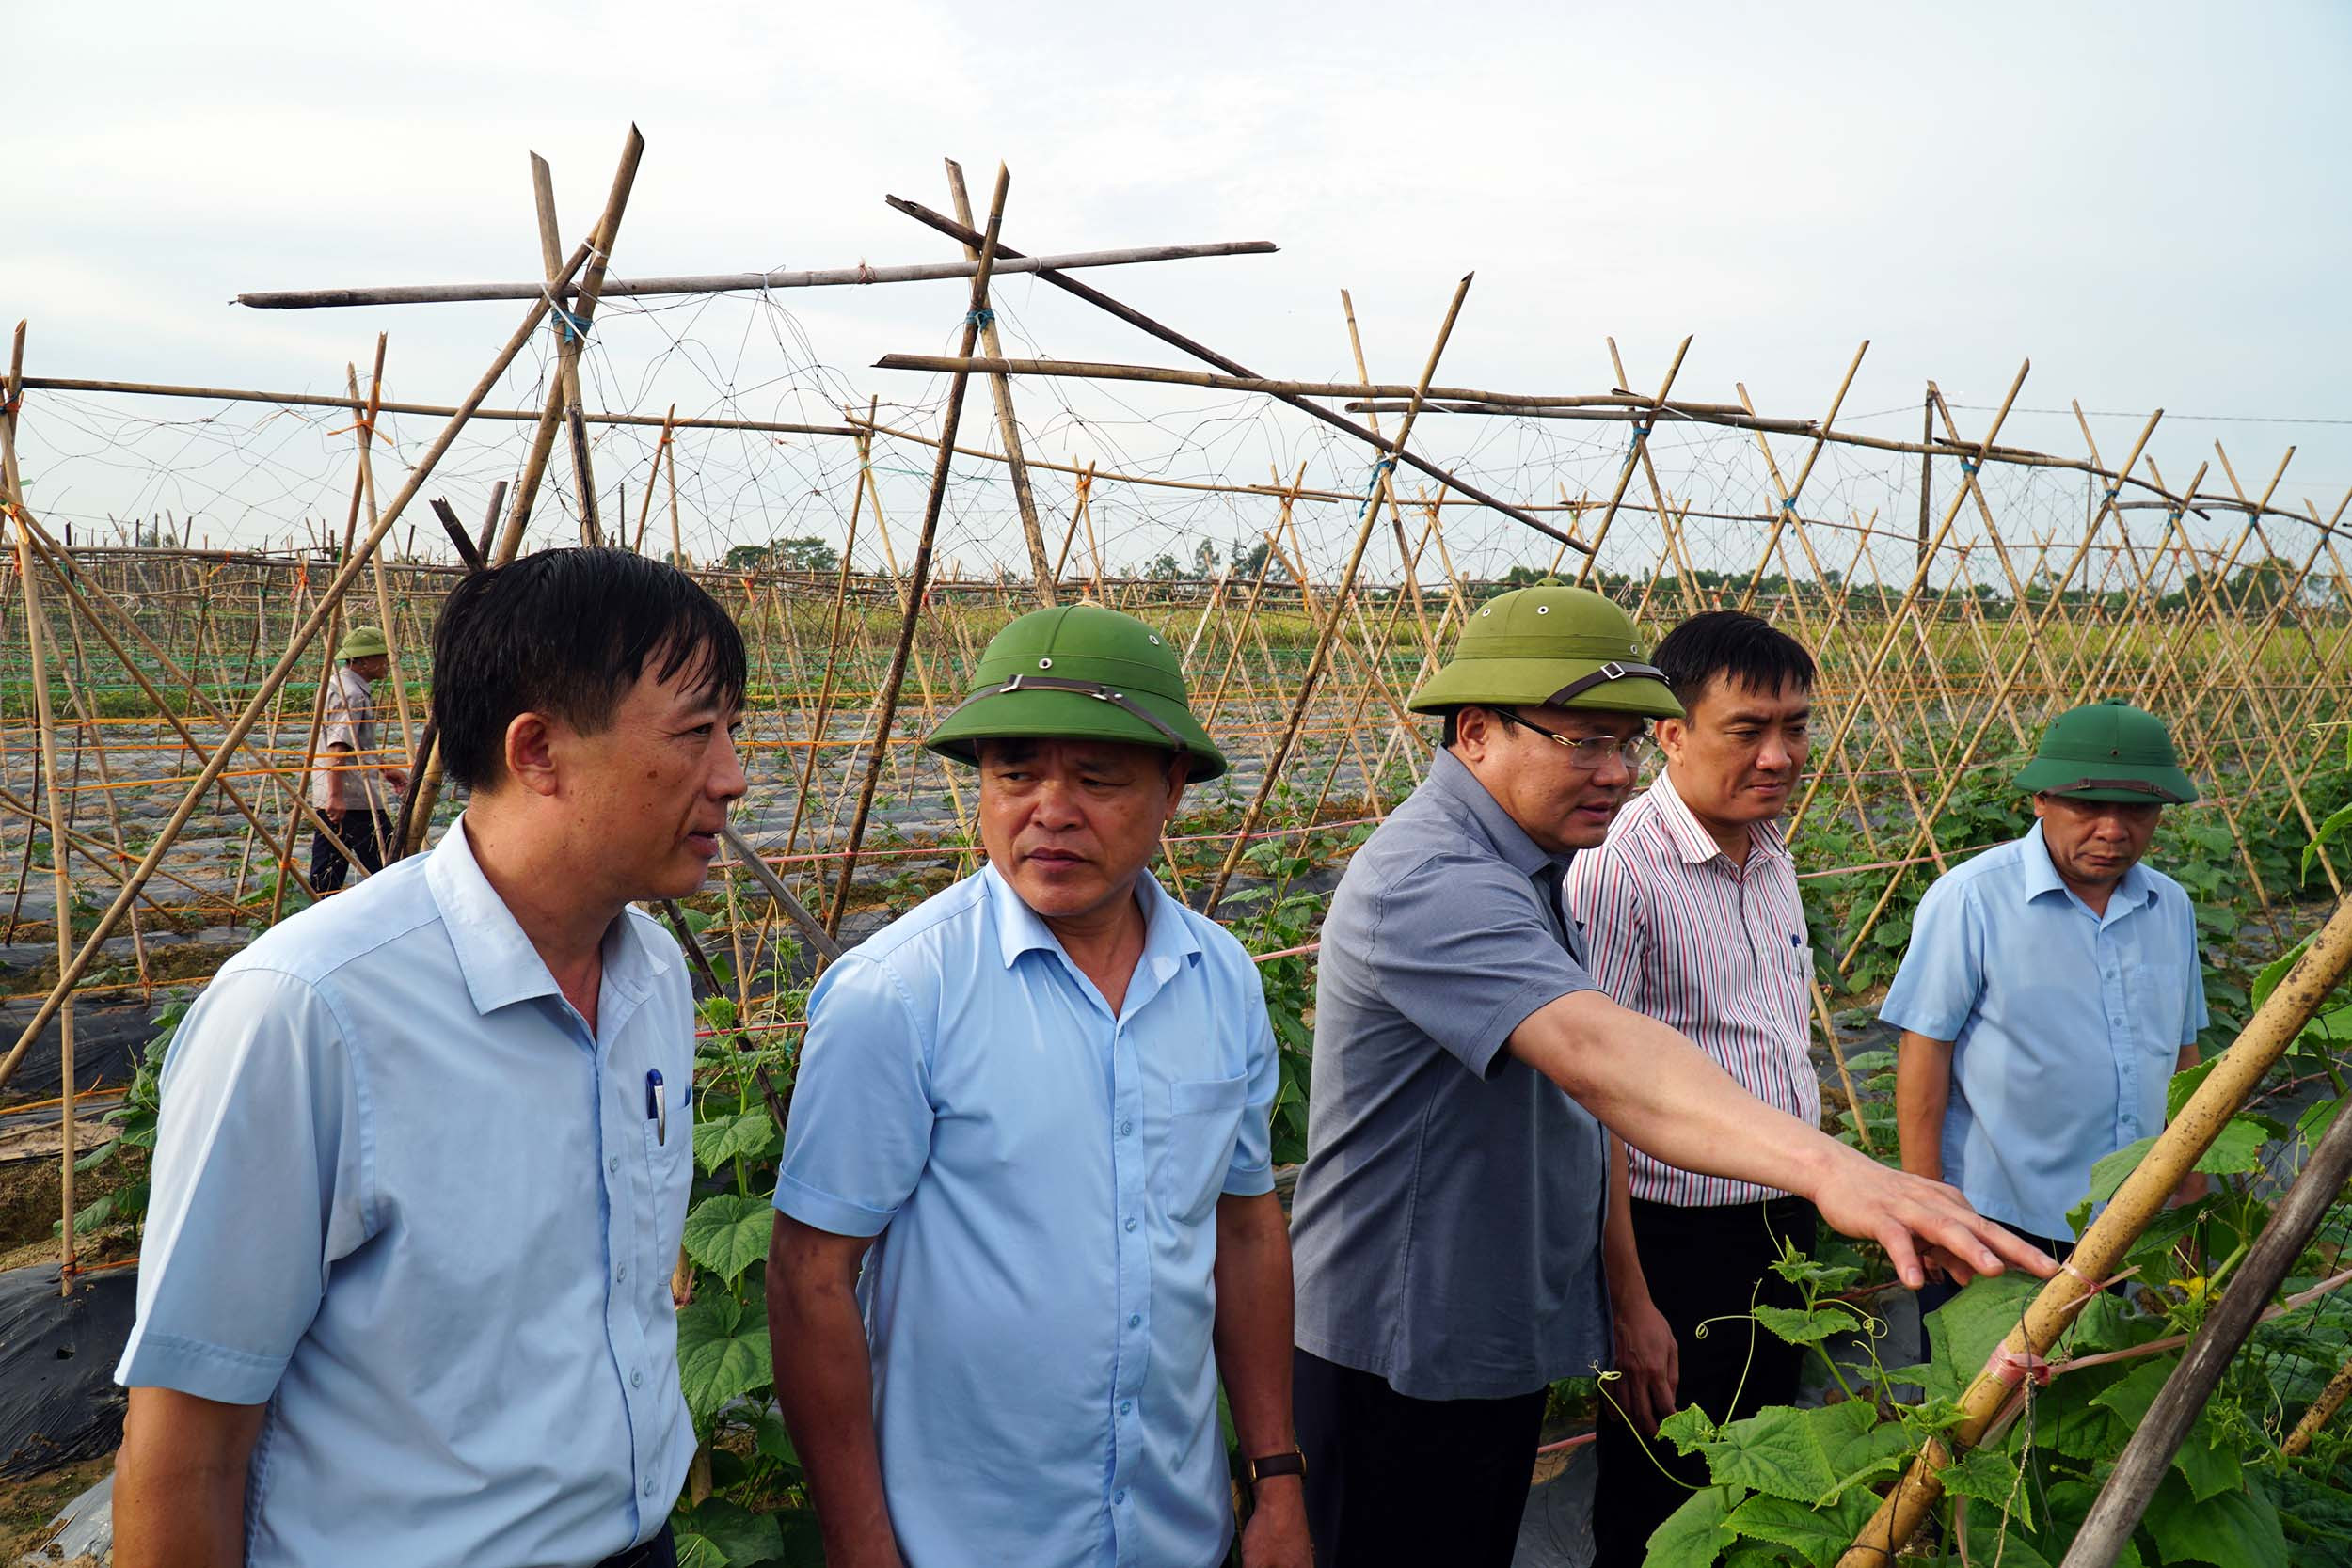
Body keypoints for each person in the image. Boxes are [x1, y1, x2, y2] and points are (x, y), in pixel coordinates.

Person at [1285, 583, 2054, 1568]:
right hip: (1402, 1339)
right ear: (1473, 732)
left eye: (1625, 743)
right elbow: (1607, 1055)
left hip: (1483, 1320)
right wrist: (1831, 1167)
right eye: (1582, 742)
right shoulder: (1433, 879)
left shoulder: (1529, 858)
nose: (1614, 772)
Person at [113, 549, 747, 1568]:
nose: (732, 774)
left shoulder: (653, 976)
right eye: (695, 731)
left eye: (733, 731)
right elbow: (188, 1446)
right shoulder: (308, 1013)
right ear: (537, 749)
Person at [767, 603, 1310, 1568]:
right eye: (1014, 773)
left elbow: (1244, 1225)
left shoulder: (1218, 976)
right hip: (966, 1541)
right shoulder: (899, 992)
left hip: (1177, 1527)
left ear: (1173, 784)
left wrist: (1276, 1476)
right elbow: (811, 1275)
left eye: (1097, 778)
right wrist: (858, 1538)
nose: (1049, 810)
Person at [1562, 610, 1825, 1565]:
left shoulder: (1768, 848)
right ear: (1669, 731)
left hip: (1778, 1219)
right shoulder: (1616, 869)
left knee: (1756, 1471)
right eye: (1747, 728)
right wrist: (1630, 1302)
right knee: (1659, 1493)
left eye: (1794, 725)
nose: (1778, 753)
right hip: (1674, 1239)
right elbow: (1591, 1099)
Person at [1887, 699, 2209, 1326]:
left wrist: (2188, 1185)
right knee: (1983, 1409)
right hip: (1994, 1221)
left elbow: (2184, 1053)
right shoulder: (1972, 899)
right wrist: (1927, 1207)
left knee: (2092, 1391)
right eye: (2088, 807)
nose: (2114, 830)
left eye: (2138, 810)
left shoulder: (2170, 906)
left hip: (2124, 1216)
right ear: (2041, 800)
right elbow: (1923, 1061)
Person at [308, 623, 409, 894]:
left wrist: (384, 768)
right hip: (352, 797)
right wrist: (336, 796)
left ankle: (320, 918)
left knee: (327, 873)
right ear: (364, 661)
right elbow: (338, 746)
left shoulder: (341, 684)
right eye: (381, 657)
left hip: (341, 791)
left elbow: (354, 743)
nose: (387, 664)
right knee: (390, 865)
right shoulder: (350, 693)